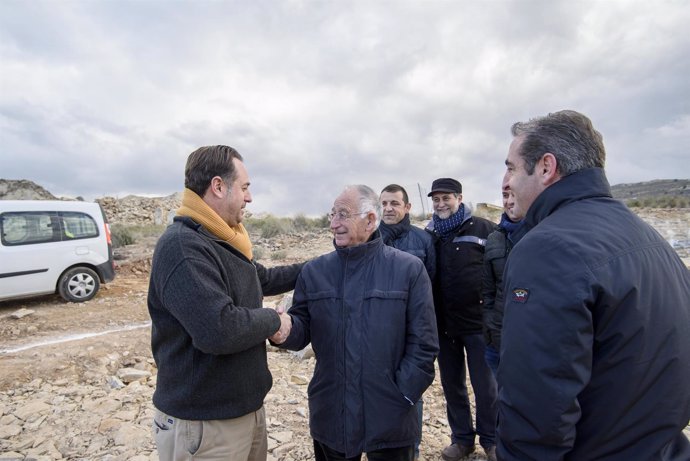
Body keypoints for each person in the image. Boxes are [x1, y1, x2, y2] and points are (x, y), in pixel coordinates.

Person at [498, 110, 690, 460]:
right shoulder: (649, 237)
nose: (505, 181)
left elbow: (537, 404)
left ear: (545, 167)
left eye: (511, 167)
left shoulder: (548, 248)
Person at [147, 145, 302, 461]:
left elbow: (262, 279)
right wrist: (274, 319)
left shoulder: (222, 239)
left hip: (241, 412)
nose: (249, 198)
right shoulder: (183, 246)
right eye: (244, 188)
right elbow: (218, 329)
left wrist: (320, 267)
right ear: (218, 186)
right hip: (204, 425)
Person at [273, 185, 439, 461]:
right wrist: (283, 330)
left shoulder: (408, 270)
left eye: (343, 215)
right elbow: (301, 331)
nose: (333, 224)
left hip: (391, 416)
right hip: (331, 413)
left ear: (370, 220)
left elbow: (424, 343)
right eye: (331, 215)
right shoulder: (315, 272)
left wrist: (403, 394)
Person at [425, 178, 498, 461]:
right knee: (452, 385)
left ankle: (491, 440)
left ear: (460, 198)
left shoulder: (483, 228)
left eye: (447, 198)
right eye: (436, 200)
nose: (441, 204)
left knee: (486, 386)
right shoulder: (429, 234)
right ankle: (462, 440)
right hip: (444, 325)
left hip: (478, 323)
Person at [379, 183, 436, 460]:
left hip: (411, 333)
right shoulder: (369, 236)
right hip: (378, 333)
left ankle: (409, 450)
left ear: (407, 207)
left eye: (394, 203)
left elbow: (432, 286)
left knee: (411, 393)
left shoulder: (423, 241)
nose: (388, 209)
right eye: (384, 203)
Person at [481, 186, 524, 376]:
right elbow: (487, 291)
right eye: (506, 196)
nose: (509, 201)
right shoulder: (494, 238)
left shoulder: (544, 235)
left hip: (530, 341)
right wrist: (490, 327)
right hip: (497, 340)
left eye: (515, 195)